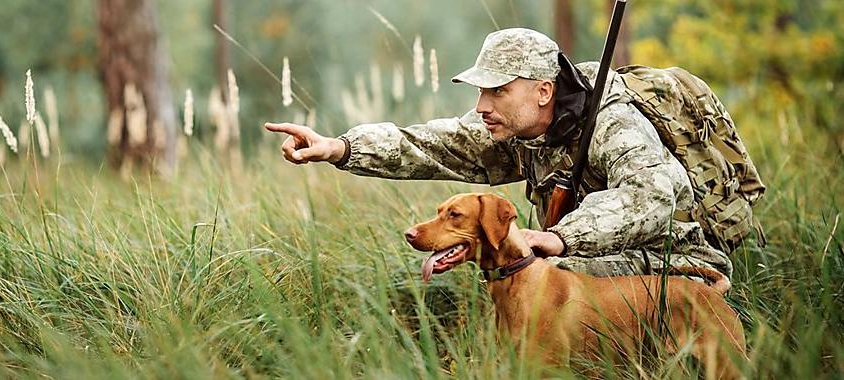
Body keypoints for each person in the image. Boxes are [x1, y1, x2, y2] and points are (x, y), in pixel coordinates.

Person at [264, 28, 733, 278]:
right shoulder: (513, 127)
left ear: (544, 91)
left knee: (548, 273)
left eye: (498, 91)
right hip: (592, 258)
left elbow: (651, 197)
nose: (482, 107)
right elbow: (430, 144)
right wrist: (339, 147)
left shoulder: (612, 121)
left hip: (676, 259)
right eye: (480, 91)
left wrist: (560, 238)